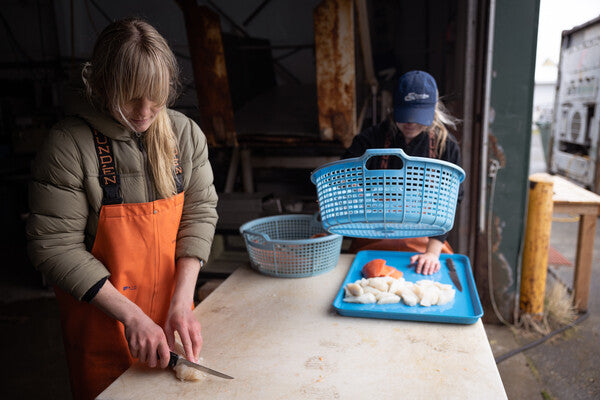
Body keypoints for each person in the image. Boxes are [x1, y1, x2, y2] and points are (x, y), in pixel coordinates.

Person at [26, 18, 218, 400]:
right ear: (100, 85)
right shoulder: (68, 145)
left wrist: (182, 302)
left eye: (155, 96)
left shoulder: (184, 134)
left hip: (172, 321)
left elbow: (200, 212)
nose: (145, 111)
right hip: (103, 327)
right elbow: (54, 245)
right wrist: (131, 316)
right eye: (130, 96)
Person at [343, 70, 463, 276]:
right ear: (393, 108)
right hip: (373, 236)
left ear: (434, 110)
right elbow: (343, 179)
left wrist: (432, 254)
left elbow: (451, 202)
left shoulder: (447, 147)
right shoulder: (370, 139)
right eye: (404, 116)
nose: (410, 124)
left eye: (418, 118)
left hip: (426, 240)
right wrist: (354, 190)